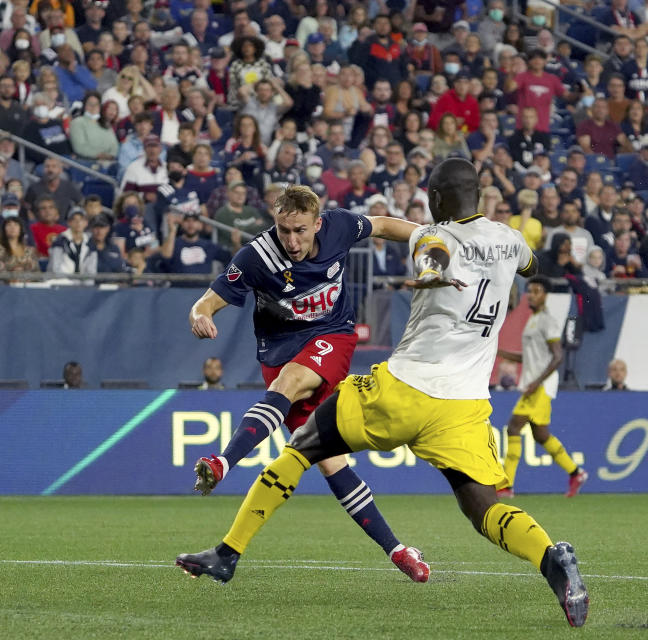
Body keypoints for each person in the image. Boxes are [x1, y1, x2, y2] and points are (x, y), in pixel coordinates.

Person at [175, 159, 589, 630]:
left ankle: (228, 552)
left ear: (433, 200)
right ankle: (550, 556)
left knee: (304, 445)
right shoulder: (509, 240)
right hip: (467, 405)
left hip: (405, 388)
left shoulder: (432, 237)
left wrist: (434, 270)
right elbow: (533, 265)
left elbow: (432, 249)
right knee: (486, 509)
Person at [184, 183, 430, 580]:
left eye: (300, 230)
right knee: (327, 461)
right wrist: (200, 315)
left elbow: (384, 225)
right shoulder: (256, 256)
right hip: (279, 350)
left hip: (332, 337)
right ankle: (398, 550)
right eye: (284, 230)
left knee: (289, 381)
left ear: (318, 223)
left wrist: (430, 236)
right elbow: (208, 300)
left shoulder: (340, 227)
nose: (292, 240)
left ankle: (223, 462)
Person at [496, 276, 589, 499]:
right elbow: (530, 357)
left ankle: (506, 485)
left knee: (513, 428)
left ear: (545, 295)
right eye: (531, 291)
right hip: (534, 383)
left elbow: (558, 356)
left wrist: (536, 382)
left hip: (539, 385)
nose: (533, 295)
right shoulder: (534, 319)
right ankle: (575, 472)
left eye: (537, 291)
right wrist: (499, 352)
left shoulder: (548, 320)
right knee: (541, 435)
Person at [48, 208, 96, 275]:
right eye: (74, 219)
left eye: (81, 219)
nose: (78, 222)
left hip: (82, 282)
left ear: (86, 223)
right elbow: (55, 268)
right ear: (69, 222)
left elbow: (91, 270)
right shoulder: (59, 241)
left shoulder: (90, 243)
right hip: (61, 281)